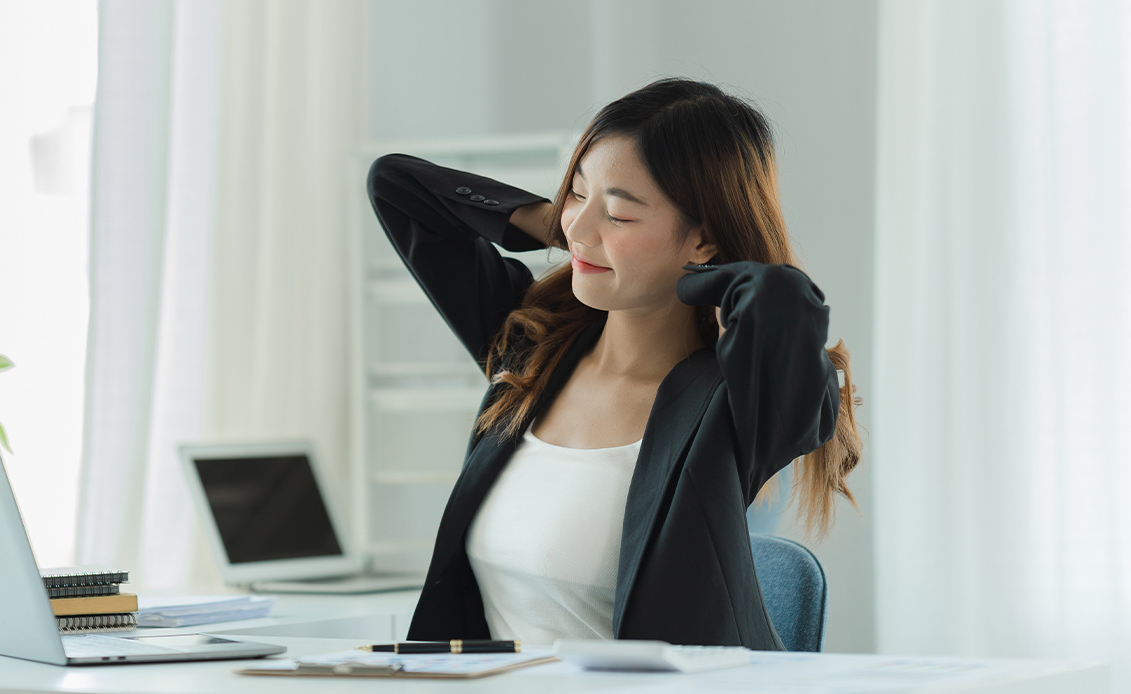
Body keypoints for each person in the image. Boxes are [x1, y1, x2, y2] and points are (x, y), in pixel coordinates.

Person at [365, 77, 863, 650]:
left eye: (620, 215)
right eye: (575, 193)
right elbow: (397, 186)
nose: (577, 228)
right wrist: (563, 222)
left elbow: (782, 299)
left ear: (703, 241)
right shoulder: (531, 350)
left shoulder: (732, 404)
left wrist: (713, 274)